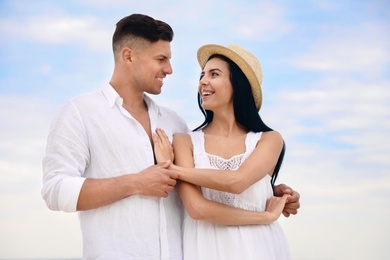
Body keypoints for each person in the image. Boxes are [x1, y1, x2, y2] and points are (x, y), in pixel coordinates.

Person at [41, 13, 299, 259]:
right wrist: (135, 183)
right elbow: (54, 190)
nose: (170, 69)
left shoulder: (174, 123)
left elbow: (202, 182)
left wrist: (263, 189)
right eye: (161, 59)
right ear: (128, 56)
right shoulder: (80, 113)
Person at [153, 44, 293, 259]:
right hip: (207, 250)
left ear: (238, 85)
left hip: (261, 248)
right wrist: (265, 216)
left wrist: (173, 170)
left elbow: (237, 182)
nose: (202, 82)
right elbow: (197, 209)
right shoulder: (184, 141)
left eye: (214, 74)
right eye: (202, 75)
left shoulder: (269, 139)